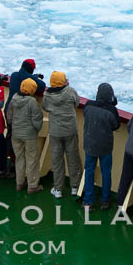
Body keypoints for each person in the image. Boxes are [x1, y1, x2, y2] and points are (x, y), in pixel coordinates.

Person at [43, 71, 82, 199]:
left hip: (55, 131)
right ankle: (75, 187)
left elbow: (45, 107)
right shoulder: (70, 91)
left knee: (57, 160)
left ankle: (58, 189)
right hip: (70, 130)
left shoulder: (47, 95)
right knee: (73, 158)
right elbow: (76, 103)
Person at [81, 82, 120, 209]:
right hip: (105, 146)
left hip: (90, 144)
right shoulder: (111, 110)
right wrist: (112, 105)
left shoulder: (88, 105)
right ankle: (105, 200)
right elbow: (116, 125)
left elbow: (85, 114)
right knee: (106, 172)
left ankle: (88, 201)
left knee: (89, 171)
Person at [6, 77, 43, 194]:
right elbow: (36, 119)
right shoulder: (32, 101)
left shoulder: (14, 98)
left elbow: (9, 116)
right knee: (32, 159)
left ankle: (19, 183)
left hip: (16, 134)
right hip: (29, 135)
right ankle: (32, 185)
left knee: (19, 158)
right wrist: (37, 129)